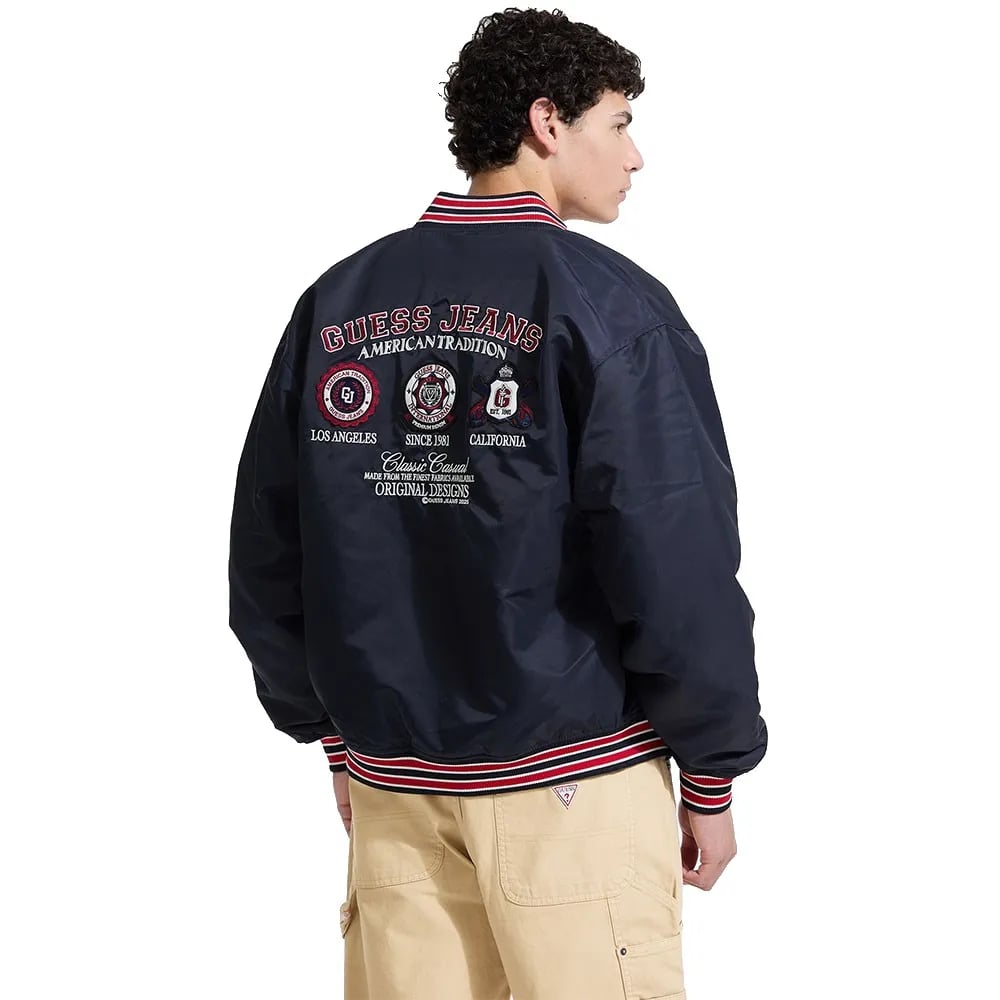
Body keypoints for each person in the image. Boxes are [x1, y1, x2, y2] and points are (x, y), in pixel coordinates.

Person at [228, 8, 767, 999]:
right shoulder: (610, 307)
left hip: (394, 791)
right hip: (574, 786)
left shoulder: (337, 302)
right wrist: (712, 767)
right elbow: (675, 558)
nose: (636, 156)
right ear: (547, 122)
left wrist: (331, 733)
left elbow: (268, 553)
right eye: (619, 123)